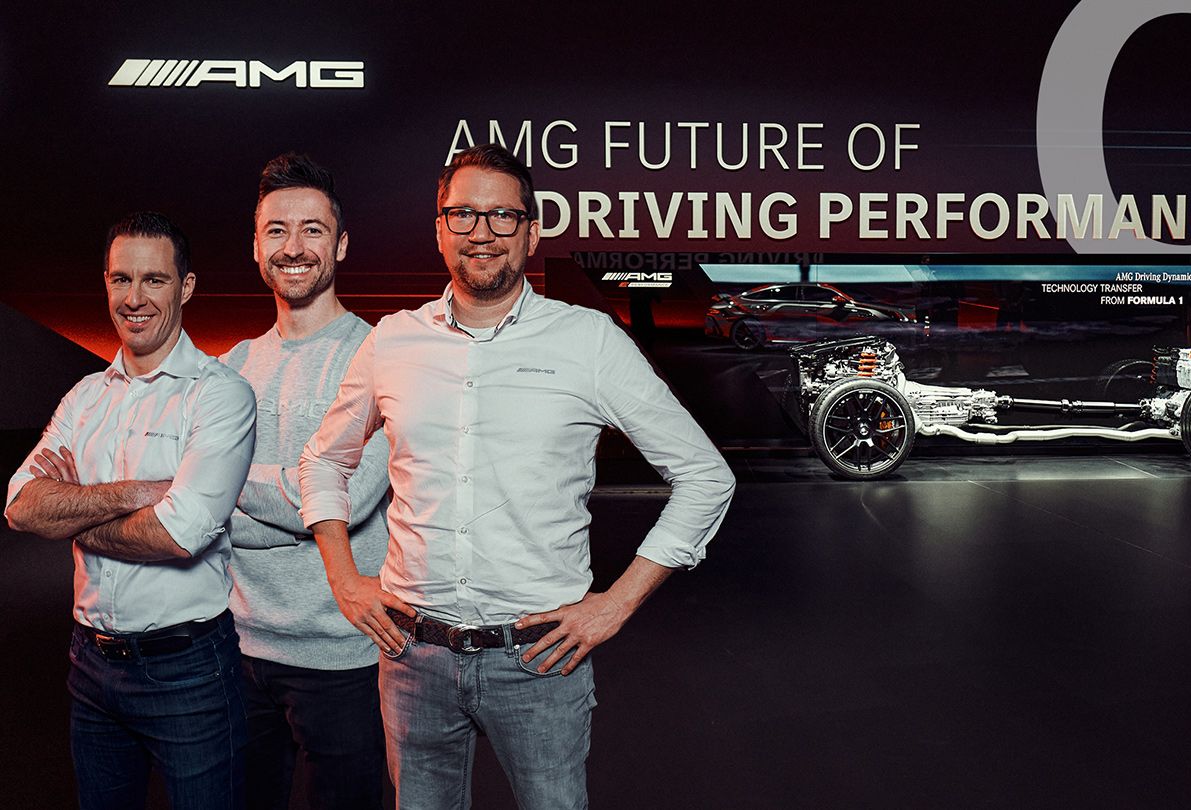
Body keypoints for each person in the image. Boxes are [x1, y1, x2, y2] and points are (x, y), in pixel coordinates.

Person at [297, 144, 735, 810]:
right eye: (464, 214)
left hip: (540, 663)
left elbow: (705, 476)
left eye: (503, 216)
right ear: (439, 229)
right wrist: (342, 579)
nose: (482, 232)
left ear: (532, 232)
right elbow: (324, 459)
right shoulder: (392, 341)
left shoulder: (587, 342)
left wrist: (616, 603)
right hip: (413, 657)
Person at [5, 212, 257, 810]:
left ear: (186, 287)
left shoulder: (219, 395)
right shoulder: (85, 397)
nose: (134, 298)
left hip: (189, 671)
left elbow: (178, 534)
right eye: (121, 279)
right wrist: (132, 492)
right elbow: (19, 506)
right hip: (90, 667)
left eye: (154, 280)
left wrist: (70, 512)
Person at [221, 153, 390, 810]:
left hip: (344, 659)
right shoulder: (230, 367)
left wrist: (242, 495)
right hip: (237, 650)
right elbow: (198, 506)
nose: (294, 248)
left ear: (341, 244)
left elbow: (340, 495)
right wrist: (288, 498)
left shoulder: (379, 358)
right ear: (256, 247)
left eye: (313, 230)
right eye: (277, 231)